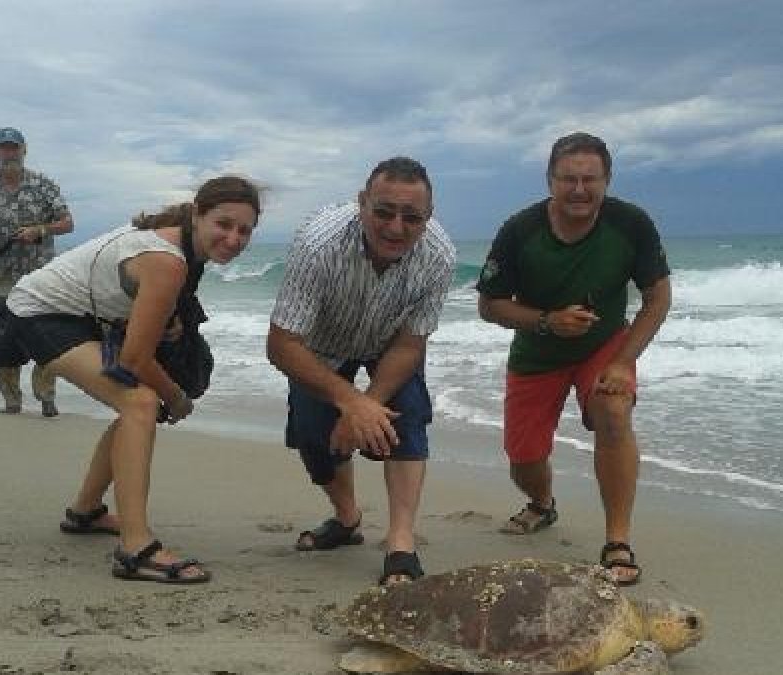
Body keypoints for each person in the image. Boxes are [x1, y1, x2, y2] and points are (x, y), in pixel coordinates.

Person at [6, 175, 262, 583]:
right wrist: (175, 397)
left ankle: (86, 511)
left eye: (244, 230)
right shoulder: (167, 260)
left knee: (137, 406)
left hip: (86, 315)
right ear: (198, 214)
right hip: (38, 313)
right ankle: (135, 548)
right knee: (140, 402)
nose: (233, 238)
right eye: (224, 224)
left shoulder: (185, 242)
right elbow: (135, 359)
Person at [476, 132, 671, 586]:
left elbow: (658, 298)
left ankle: (617, 541)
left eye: (590, 179)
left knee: (614, 410)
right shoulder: (520, 230)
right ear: (550, 181)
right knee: (524, 461)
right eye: (568, 179)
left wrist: (622, 362)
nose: (579, 189)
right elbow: (490, 305)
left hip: (605, 346)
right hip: (537, 350)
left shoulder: (631, 223)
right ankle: (542, 503)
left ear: (607, 180)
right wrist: (548, 321)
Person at [267, 157, 455, 586]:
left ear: (428, 217)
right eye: (383, 212)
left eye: (412, 217)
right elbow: (281, 343)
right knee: (314, 438)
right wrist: (349, 402)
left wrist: (369, 404)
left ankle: (401, 542)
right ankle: (347, 518)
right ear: (362, 203)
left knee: (407, 416)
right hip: (320, 344)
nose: (395, 228)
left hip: (389, 341)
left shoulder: (439, 255)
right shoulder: (319, 245)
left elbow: (410, 343)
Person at [0, 127, 74, 417]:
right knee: (2, 335)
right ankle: (11, 400)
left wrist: (40, 230)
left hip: (42, 274)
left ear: (24, 150)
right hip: (2, 275)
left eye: (14, 147)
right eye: (4, 148)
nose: (9, 153)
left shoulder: (43, 185)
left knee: (47, 333)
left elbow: (67, 223)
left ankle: (47, 397)